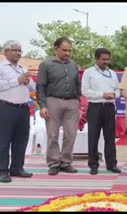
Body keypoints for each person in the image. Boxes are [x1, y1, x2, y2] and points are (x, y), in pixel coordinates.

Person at [36, 37, 81, 176]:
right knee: (53, 134)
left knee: (71, 134)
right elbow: (41, 86)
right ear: (56, 48)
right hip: (53, 101)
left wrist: (78, 102)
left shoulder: (73, 65)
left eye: (69, 50)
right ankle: (54, 163)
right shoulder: (46, 64)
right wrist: (42, 105)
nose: (67, 53)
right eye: (64, 50)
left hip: (72, 102)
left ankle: (66, 162)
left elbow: (77, 85)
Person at [0, 40, 36, 183]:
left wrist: (28, 81)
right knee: (3, 140)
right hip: (6, 107)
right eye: (14, 50)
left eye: (20, 50)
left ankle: (17, 167)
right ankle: (2, 170)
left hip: (23, 108)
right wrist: (17, 81)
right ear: (5, 51)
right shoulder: (2, 68)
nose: (18, 53)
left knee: (21, 140)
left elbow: (33, 88)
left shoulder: (22, 68)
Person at [81, 48, 121, 175]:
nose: (106, 62)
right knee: (93, 136)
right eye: (103, 59)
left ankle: (112, 164)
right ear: (96, 59)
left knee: (110, 137)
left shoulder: (112, 73)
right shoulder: (89, 72)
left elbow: (119, 91)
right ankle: (93, 164)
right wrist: (103, 94)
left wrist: (114, 95)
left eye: (108, 59)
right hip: (95, 107)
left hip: (109, 108)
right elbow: (85, 91)